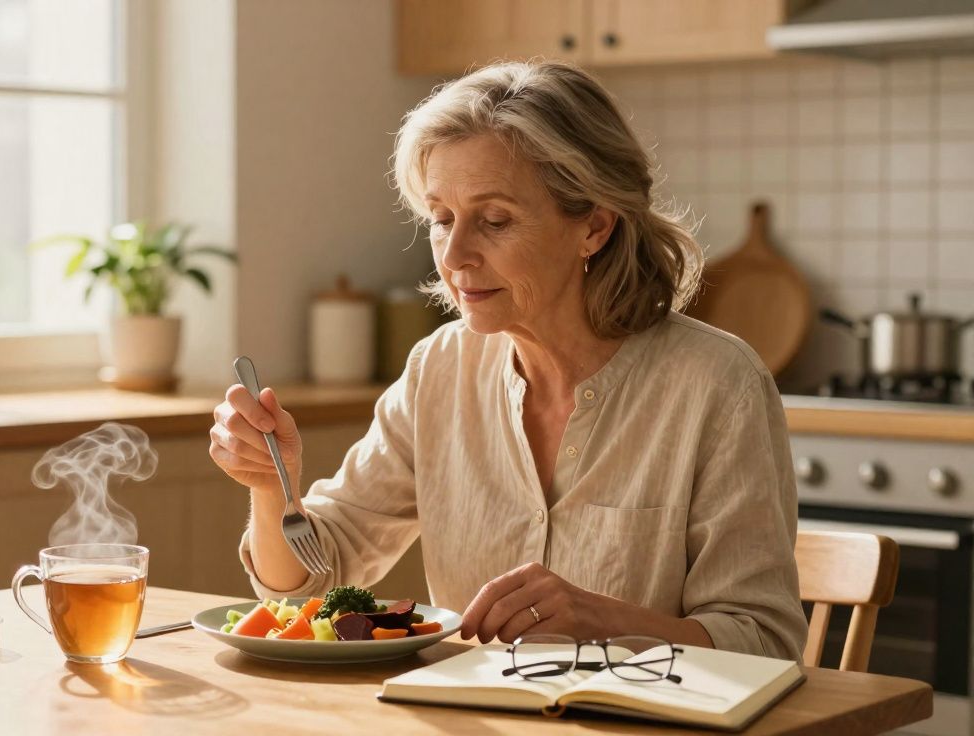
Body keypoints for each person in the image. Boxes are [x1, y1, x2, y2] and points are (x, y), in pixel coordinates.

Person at [209, 60, 807, 659]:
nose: (456, 255)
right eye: (442, 220)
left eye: (495, 221)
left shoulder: (718, 385)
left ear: (594, 227)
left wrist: (605, 619)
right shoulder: (438, 369)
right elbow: (315, 575)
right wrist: (270, 489)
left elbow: (765, 643)